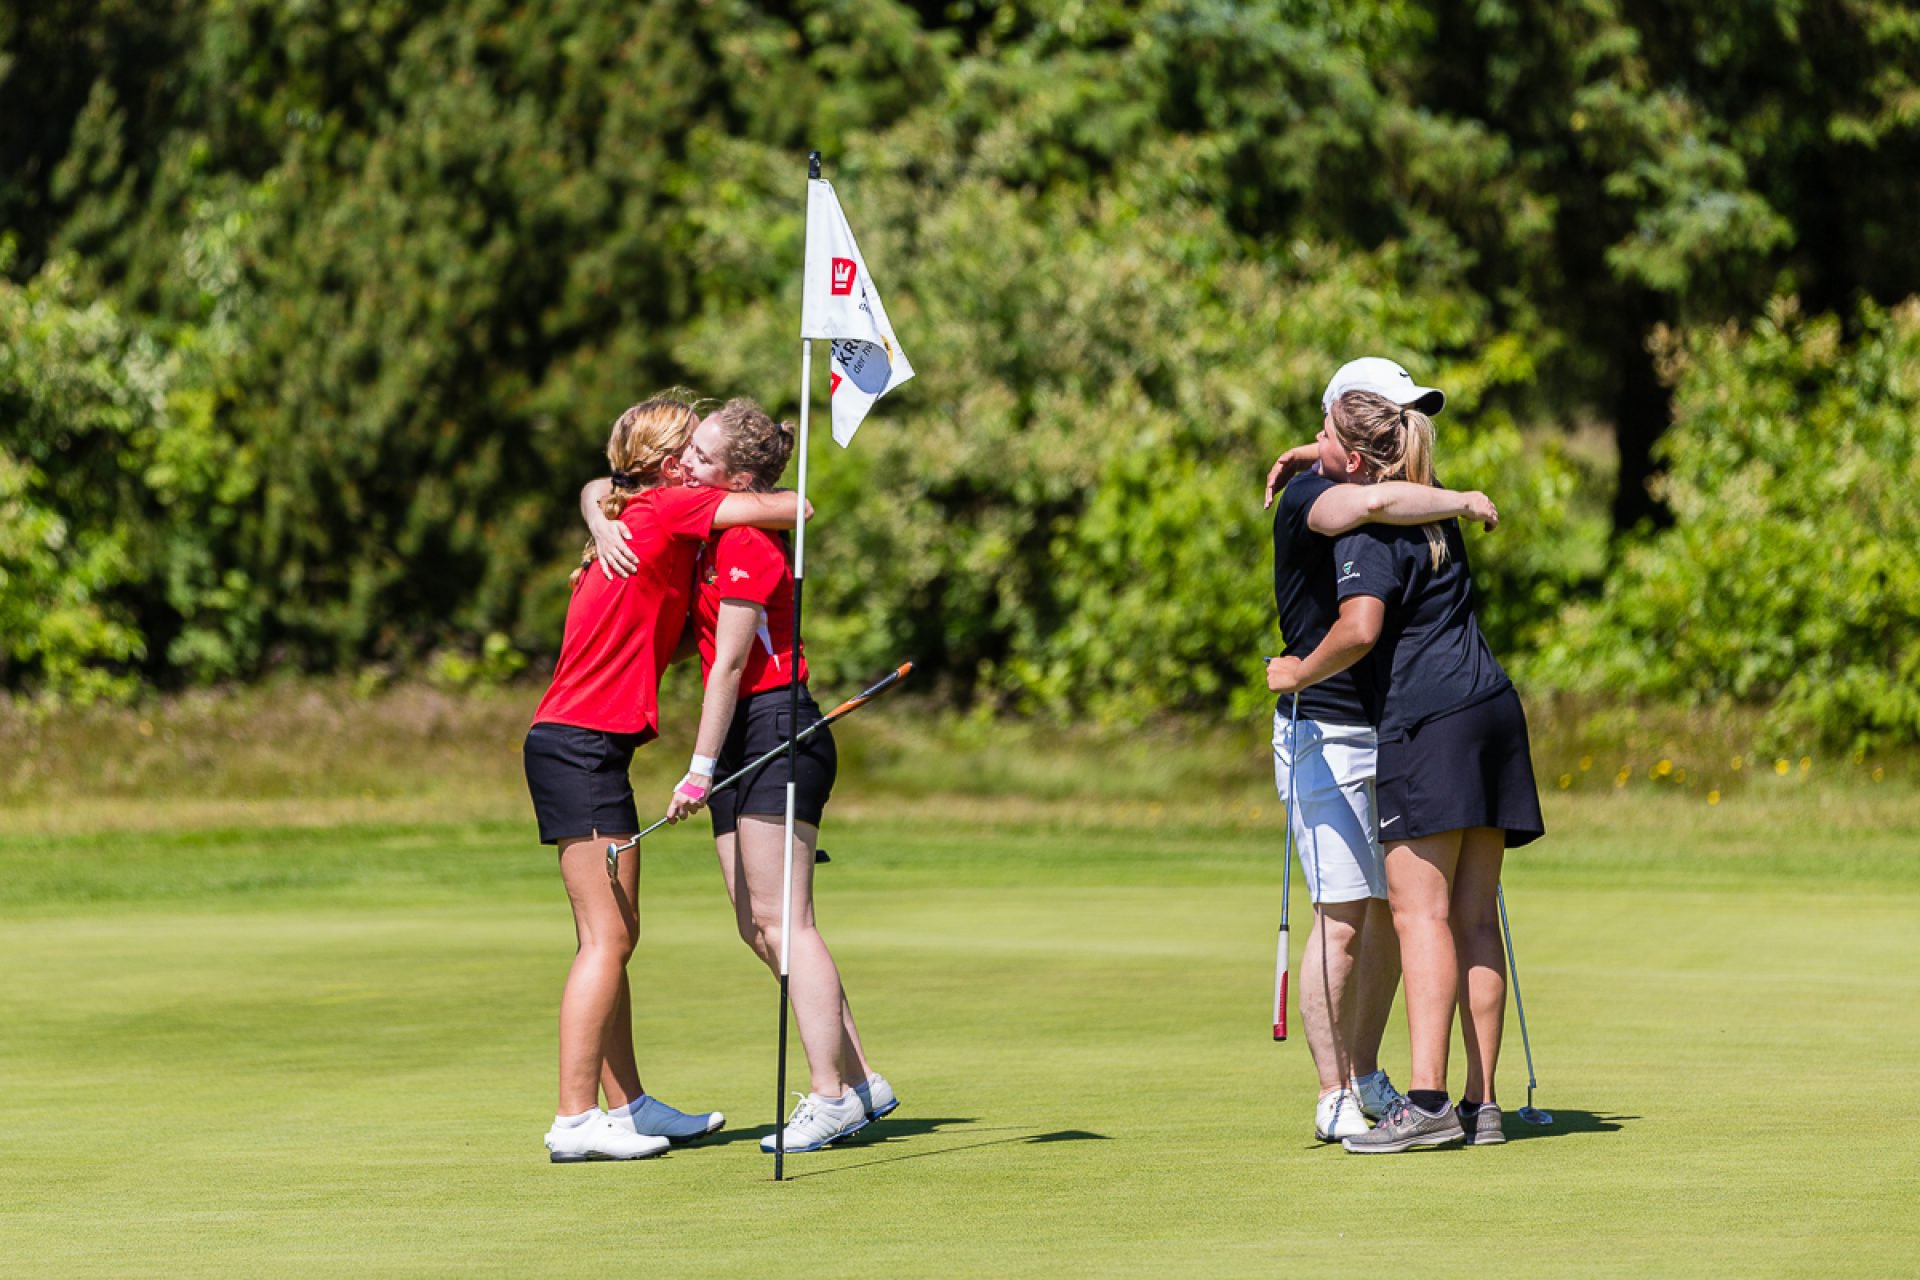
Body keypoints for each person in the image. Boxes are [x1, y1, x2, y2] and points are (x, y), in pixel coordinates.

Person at [523, 396, 803, 1163]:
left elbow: (601, 489)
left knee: (613, 936)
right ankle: (575, 1119)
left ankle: (631, 1107)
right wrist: (604, 505)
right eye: (686, 450)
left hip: (580, 745)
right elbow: (793, 505)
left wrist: (595, 505)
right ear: (665, 465)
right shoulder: (670, 510)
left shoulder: (638, 518)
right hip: (580, 746)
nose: (694, 463)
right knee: (607, 939)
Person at [1267, 388, 1544, 1155]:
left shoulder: (1366, 527)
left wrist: (1296, 674)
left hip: (1430, 726)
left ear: (1354, 461)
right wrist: (1314, 453)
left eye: (1325, 432)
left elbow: (1359, 628)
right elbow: (1374, 473)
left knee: (1419, 917)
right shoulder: (1436, 517)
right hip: (1494, 708)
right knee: (1476, 917)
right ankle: (1481, 1105)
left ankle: (1425, 1105)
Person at [655, 397, 896, 1155]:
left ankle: (829, 1095)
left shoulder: (749, 544)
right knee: (756, 925)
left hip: (776, 725)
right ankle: (862, 1083)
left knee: (787, 922)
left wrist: (696, 769)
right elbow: (610, 487)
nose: (686, 462)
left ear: (740, 476)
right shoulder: (713, 525)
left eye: (700, 455)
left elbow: (730, 663)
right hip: (746, 739)